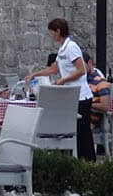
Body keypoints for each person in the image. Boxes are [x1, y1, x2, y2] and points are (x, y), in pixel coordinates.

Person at [25, 17, 95, 160]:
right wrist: (35, 74)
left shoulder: (71, 47)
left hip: (81, 96)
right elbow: (54, 69)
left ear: (58, 31)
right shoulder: (62, 49)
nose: (51, 35)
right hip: (71, 96)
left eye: (52, 32)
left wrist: (63, 80)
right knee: (76, 131)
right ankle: (78, 160)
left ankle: (88, 161)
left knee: (83, 132)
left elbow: (81, 70)